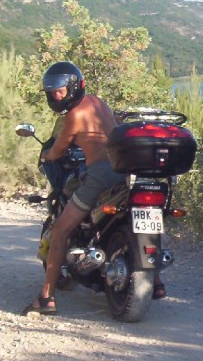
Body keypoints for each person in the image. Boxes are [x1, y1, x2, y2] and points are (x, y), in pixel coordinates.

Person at [23, 61, 165, 316]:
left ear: (73, 88)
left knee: (60, 231)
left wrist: (47, 156)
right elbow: (114, 126)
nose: (56, 96)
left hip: (100, 174)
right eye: (52, 92)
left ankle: (46, 298)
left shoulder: (74, 116)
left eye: (60, 91)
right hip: (124, 168)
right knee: (143, 218)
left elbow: (58, 150)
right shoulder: (98, 102)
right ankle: (155, 282)